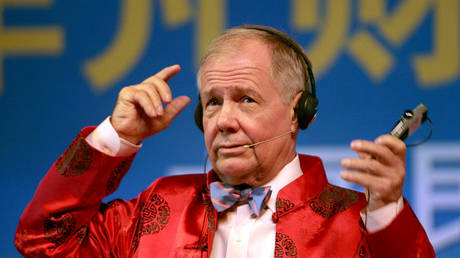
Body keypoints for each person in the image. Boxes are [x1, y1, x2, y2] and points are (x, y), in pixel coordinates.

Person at [15, 25, 434, 257]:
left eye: (246, 100)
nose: (224, 121)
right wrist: (116, 136)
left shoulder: (355, 222)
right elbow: (43, 243)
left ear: (298, 111)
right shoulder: (154, 209)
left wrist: (386, 214)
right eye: (212, 102)